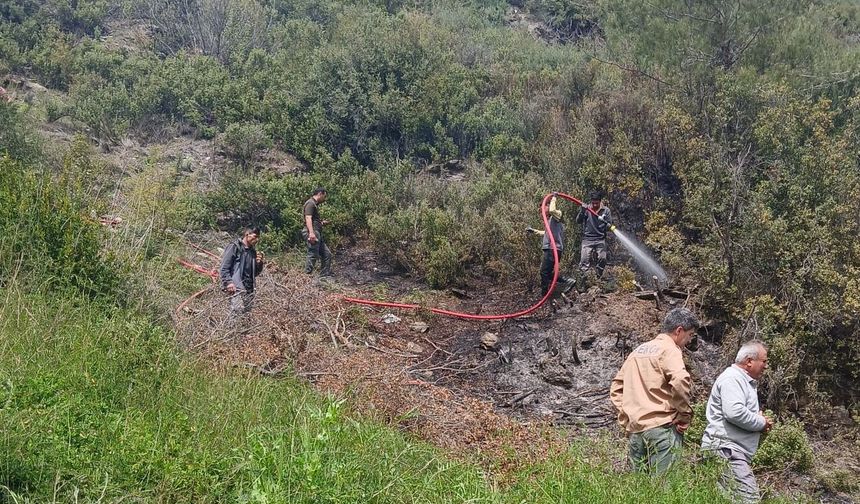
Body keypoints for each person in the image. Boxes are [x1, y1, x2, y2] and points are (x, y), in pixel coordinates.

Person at [609, 307, 699, 474]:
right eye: (690, 335)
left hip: (636, 431)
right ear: (679, 331)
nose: (689, 340)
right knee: (664, 491)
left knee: (641, 492)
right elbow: (679, 380)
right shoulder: (670, 350)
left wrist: (628, 415)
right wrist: (684, 415)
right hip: (663, 428)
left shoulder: (637, 351)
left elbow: (616, 388)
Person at [702, 341, 773, 503]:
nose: (766, 366)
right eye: (764, 361)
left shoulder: (738, 379)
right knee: (749, 499)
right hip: (727, 451)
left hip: (726, 450)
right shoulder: (733, 378)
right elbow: (734, 412)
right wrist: (761, 422)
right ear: (749, 361)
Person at [526, 192, 575, 296]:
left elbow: (552, 210)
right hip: (551, 249)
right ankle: (565, 281)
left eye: (544, 207)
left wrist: (553, 198)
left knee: (544, 272)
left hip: (553, 248)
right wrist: (533, 230)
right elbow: (546, 233)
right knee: (546, 273)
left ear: (548, 205)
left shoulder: (557, 215)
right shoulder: (549, 221)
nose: (542, 211)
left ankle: (545, 294)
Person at [219, 226, 265, 321]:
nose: (257, 239)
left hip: (249, 289)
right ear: (247, 234)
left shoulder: (253, 252)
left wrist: (259, 264)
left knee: (246, 316)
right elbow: (224, 267)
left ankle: (243, 335)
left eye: (258, 237)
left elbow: (255, 273)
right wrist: (228, 282)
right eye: (255, 236)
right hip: (236, 287)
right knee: (236, 312)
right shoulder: (235, 247)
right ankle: (231, 334)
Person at [576, 190, 612, 278]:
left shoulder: (606, 210)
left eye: (597, 203)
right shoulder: (587, 209)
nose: (595, 205)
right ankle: (583, 280)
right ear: (591, 202)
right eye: (593, 203)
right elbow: (578, 221)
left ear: (600, 201)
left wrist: (606, 224)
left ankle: (598, 276)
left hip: (600, 239)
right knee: (584, 260)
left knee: (602, 258)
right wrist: (582, 211)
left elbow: (609, 225)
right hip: (587, 239)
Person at [302, 187, 332, 277]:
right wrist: (311, 233)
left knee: (327, 254)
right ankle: (306, 277)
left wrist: (322, 223)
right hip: (312, 232)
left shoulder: (314, 204)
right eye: (324, 196)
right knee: (312, 254)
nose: (324, 198)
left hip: (316, 232)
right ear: (320, 194)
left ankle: (324, 277)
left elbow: (313, 220)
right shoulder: (310, 203)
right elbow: (308, 218)